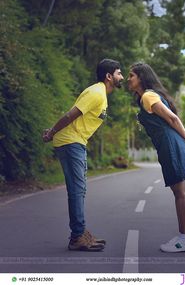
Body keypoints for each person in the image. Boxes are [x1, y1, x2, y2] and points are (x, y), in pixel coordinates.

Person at [42, 59, 124, 251]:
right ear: (109, 76)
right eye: (119, 73)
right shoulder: (96, 93)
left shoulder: (101, 94)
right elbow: (71, 115)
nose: (122, 77)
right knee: (77, 190)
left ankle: (80, 232)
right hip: (71, 142)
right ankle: (77, 236)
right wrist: (52, 132)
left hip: (76, 142)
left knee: (80, 190)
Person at [127, 62, 185, 253]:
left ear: (141, 77)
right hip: (168, 144)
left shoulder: (149, 96)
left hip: (170, 144)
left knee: (180, 192)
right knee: (179, 192)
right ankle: (184, 237)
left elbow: (173, 119)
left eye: (131, 75)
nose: (128, 79)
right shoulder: (146, 97)